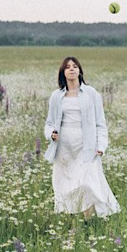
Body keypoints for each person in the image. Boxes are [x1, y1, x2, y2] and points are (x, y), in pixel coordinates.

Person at [43, 56, 119, 218]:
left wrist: (101, 146)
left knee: (87, 184)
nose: (71, 69)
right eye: (68, 67)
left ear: (80, 71)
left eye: (75, 66)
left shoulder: (91, 94)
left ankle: (88, 222)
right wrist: (51, 134)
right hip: (63, 148)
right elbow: (49, 123)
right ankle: (72, 223)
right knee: (65, 186)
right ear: (63, 72)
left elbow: (100, 123)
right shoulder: (56, 96)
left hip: (86, 147)